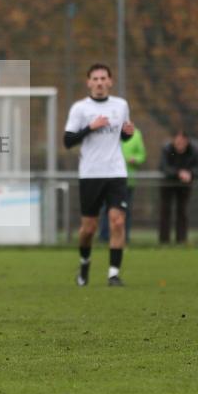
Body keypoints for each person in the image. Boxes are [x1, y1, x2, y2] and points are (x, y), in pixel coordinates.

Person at [63, 63, 134, 286]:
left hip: (116, 171)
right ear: (89, 83)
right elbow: (68, 141)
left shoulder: (121, 105)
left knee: (117, 221)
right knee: (89, 228)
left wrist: (128, 134)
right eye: (95, 79)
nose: (100, 82)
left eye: (103, 78)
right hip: (90, 174)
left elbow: (122, 136)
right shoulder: (80, 108)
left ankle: (113, 274)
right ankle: (84, 263)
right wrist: (90, 127)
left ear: (110, 82)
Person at [99, 127, 146, 243]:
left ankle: (124, 236)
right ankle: (105, 237)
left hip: (127, 180)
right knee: (107, 208)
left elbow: (142, 155)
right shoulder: (108, 130)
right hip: (108, 178)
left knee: (125, 210)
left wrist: (136, 159)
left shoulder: (136, 133)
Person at [158, 129, 198, 244]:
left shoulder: (194, 150)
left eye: (182, 142)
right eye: (177, 142)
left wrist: (190, 173)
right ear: (173, 140)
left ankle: (181, 240)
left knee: (182, 211)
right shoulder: (168, 150)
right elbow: (164, 167)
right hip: (168, 183)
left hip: (184, 184)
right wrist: (178, 173)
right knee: (165, 211)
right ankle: (164, 241)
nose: (180, 144)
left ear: (187, 141)